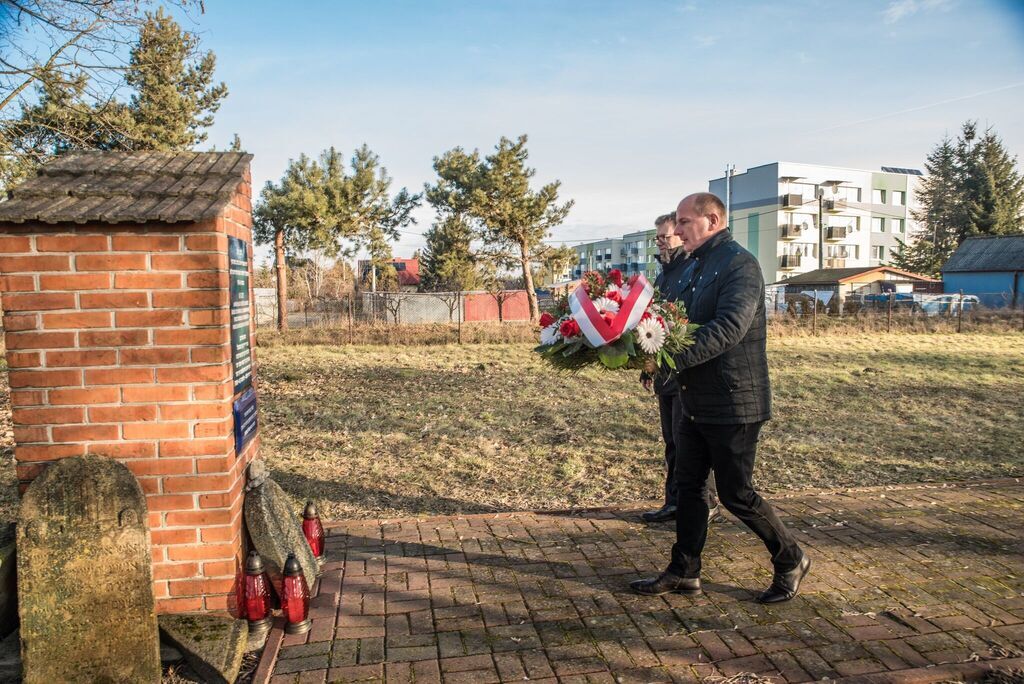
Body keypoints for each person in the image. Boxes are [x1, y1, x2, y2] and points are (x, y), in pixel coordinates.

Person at [631, 192, 810, 604]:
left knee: (736, 495)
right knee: (688, 486)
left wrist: (667, 358)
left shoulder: (739, 265)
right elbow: (676, 324)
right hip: (693, 397)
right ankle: (684, 570)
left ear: (712, 220)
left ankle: (790, 558)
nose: (675, 231)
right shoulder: (695, 265)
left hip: (734, 401)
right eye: (674, 223)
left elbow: (728, 328)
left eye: (684, 222)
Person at [640, 212, 720, 524]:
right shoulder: (664, 276)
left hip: (685, 372)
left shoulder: (692, 270)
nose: (659, 242)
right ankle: (674, 502)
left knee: (688, 442)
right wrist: (648, 365)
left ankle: (705, 503)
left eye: (665, 236)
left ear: (680, 236)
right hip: (665, 373)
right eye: (657, 237)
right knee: (673, 443)